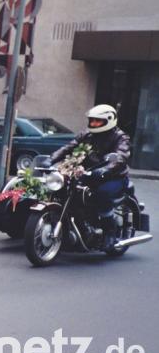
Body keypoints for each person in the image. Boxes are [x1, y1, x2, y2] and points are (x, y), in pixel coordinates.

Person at [50, 104, 131, 250]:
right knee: (67, 190)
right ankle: (80, 227)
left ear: (109, 120)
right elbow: (69, 146)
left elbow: (121, 156)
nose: (93, 124)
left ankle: (110, 234)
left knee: (102, 195)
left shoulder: (120, 137)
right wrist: (52, 159)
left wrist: (107, 169)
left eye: (97, 121)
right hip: (90, 173)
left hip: (113, 177)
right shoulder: (87, 134)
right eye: (92, 120)